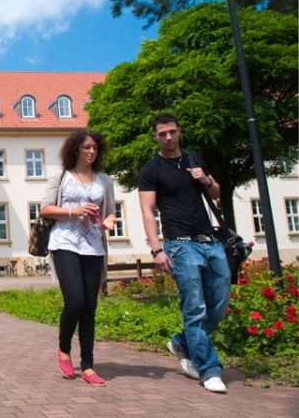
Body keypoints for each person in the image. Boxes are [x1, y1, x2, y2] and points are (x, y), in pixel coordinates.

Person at [138, 113, 230, 394]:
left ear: (180, 132)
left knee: (220, 303)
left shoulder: (194, 159)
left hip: (210, 241)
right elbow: (147, 211)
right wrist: (157, 249)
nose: (168, 137)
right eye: (162, 133)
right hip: (180, 244)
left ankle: (182, 342)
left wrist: (205, 179)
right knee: (195, 307)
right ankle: (209, 369)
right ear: (155, 136)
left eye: (172, 132)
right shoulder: (151, 169)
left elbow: (216, 193)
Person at [39, 129, 117, 387]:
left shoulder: (104, 180)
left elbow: (111, 214)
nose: (91, 151)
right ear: (75, 149)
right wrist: (74, 211)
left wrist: (108, 221)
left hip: (93, 246)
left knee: (90, 308)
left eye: (94, 147)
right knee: (74, 301)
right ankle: (63, 349)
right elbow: (46, 209)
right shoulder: (61, 177)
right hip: (64, 243)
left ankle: (88, 366)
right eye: (86, 147)